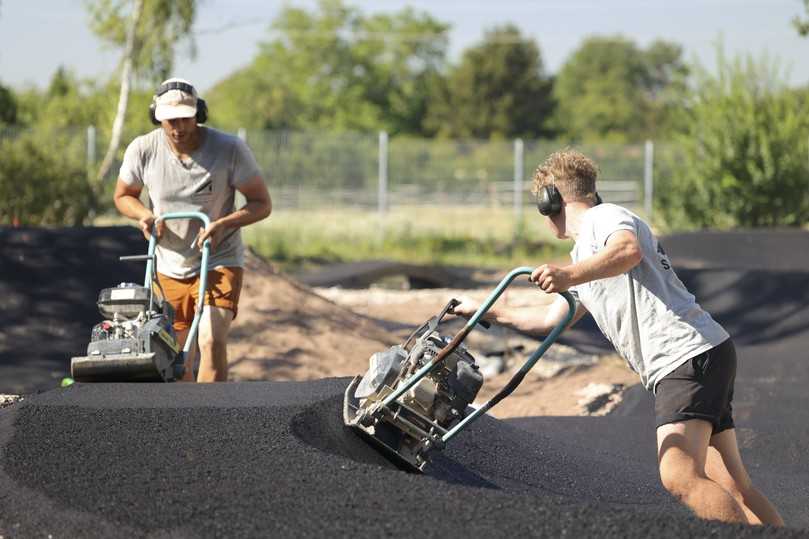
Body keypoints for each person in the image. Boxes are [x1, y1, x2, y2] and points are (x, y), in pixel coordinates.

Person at [452, 148, 783, 526]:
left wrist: (567, 276)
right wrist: (484, 310)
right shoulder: (585, 255)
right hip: (703, 352)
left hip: (683, 357)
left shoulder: (604, 218)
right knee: (734, 486)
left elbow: (627, 250)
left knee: (678, 475)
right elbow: (547, 320)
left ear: (551, 200)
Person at [113, 77, 272, 383]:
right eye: (170, 120)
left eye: (185, 118)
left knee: (211, 339)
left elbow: (261, 203)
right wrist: (144, 216)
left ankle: (211, 413)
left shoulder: (229, 150)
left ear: (198, 113)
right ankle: (184, 420)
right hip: (169, 262)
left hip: (217, 256)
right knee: (176, 354)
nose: (178, 127)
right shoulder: (144, 149)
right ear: (157, 117)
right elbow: (123, 195)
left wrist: (224, 224)